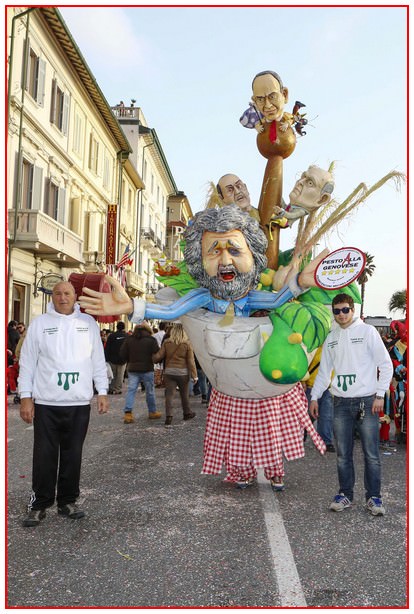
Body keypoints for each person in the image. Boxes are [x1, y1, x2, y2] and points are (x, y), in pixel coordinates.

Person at [78, 206, 328, 490]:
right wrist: (133, 307)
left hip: (260, 376)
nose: (225, 261)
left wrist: (301, 283)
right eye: (214, 251)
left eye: (234, 250)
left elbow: (276, 300)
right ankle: (241, 470)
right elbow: (172, 309)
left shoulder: (254, 295)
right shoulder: (202, 296)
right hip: (228, 380)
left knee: (270, 429)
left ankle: (275, 469)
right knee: (236, 432)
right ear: (200, 260)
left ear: (253, 255)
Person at [18, 281, 109, 527]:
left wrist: (102, 390)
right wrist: (26, 396)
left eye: (67, 293)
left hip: (79, 403)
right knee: (44, 456)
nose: (62, 297)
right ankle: (39, 504)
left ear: (75, 296)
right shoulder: (40, 324)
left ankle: (67, 501)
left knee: (73, 454)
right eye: (58, 293)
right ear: (53, 297)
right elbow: (27, 362)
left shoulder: (88, 324)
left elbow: (98, 359)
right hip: (47, 403)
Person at [309, 293, 393, 516]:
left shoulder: (368, 331)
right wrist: (314, 397)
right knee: (343, 454)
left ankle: (374, 498)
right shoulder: (331, 337)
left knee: (371, 454)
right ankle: (345, 494)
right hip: (340, 404)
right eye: (336, 311)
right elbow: (324, 372)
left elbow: (385, 365)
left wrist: (380, 395)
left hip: (367, 401)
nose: (341, 315)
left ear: (352, 310)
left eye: (345, 310)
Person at [152, 323, 198, 425]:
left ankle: (169, 416)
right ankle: (187, 413)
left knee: (169, 395)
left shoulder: (167, 343)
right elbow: (191, 361)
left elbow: (159, 356)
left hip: (169, 372)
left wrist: (152, 356)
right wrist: (195, 375)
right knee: (184, 395)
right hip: (183, 373)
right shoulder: (187, 344)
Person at [119, 322, 162, 423]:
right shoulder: (151, 340)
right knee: (150, 391)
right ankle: (152, 412)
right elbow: (157, 353)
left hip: (133, 369)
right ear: (147, 329)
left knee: (131, 391)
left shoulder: (129, 339)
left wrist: (129, 359)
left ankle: (128, 414)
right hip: (147, 368)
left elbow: (122, 353)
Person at [304, 347, 335, 452]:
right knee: (308, 414)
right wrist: (302, 381)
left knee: (326, 415)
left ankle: (326, 441)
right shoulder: (313, 348)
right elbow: (304, 365)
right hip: (311, 386)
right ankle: (303, 431)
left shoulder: (333, 347)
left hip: (327, 387)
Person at [104, 321, 128, 394]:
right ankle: (118, 389)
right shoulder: (127, 336)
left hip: (112, 358)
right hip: (123, 359)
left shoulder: (112, 336)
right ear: (124, 327)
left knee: (113, 374)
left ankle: (111, 389)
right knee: (120, 375)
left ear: (117, 327)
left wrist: (106, 358)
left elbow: (107, 347)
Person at [153, 321, 167, 387]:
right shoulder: (166, 335)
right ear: (165, 327)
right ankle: (163, 381)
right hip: (165, 352)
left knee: (157, 367)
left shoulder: (155, 335)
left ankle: (158, 381)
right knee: (163, 366)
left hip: (157, 352)